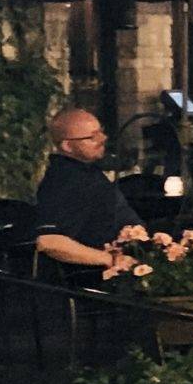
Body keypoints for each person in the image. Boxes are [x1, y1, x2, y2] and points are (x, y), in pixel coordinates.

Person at [33, 105, 143, 270]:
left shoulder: (86, 171)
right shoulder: (64, 180)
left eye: (101, 132)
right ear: (67, 146)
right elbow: (49, 241)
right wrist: (110, 260)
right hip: (98, 276)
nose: (103, 138)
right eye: (92, 137)